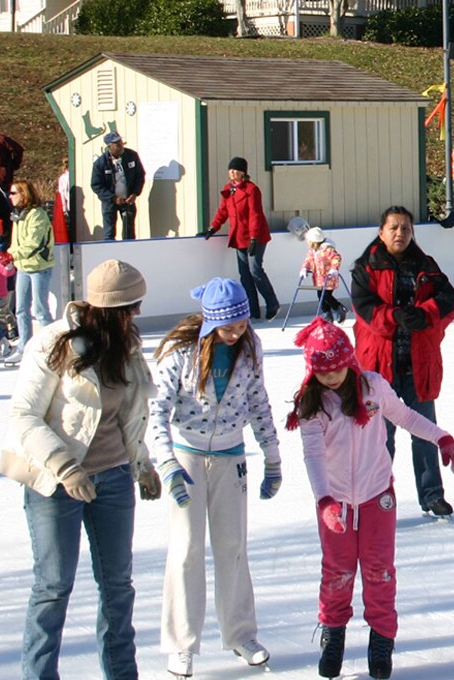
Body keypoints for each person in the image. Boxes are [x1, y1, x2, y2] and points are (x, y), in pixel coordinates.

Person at [0, 259, 161, 680]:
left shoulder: (124, 344)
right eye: (131, 307)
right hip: (54, 484)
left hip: (113, 479)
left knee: (117, 588)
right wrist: (65, 467)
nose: (138, 315)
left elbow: (130, 414)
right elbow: (22, 416)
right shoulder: (53, 344)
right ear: (109, 309)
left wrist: (141, 464)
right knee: (53, 587)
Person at [288, 317, 454, 680]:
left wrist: (440, 437)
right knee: (337, 572)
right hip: (335, 503)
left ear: (349, 361)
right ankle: (333, 636)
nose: (332, 377)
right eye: (323, 372)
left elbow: (406, 417)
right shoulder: (312, 404)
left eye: (337, 368)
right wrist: (324, 501)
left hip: (377, 496)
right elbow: (314, 455)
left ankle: (381, 640)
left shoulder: (373, 387)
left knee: (380, 572)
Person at [150, 278, 280, 677]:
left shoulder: (250, 347)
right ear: (209, 323)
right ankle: (180, 644)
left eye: (241, 323)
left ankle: (241, 633)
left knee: (232, 547)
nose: (237, 332)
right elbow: (155, 413)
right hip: (187, 458)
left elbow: (258, 402)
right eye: (228, 327)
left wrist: (272, 458)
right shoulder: (179, 353)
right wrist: (167, 465)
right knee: (187, 549)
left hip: (230, 456)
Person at [351, 206, 454, 518]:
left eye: (406, 229)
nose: (400, 233)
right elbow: (364, 308)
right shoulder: (365, 267)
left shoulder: (426, 265)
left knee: (424, 431)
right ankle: (376, 495)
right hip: (378, 369)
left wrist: (424, 315)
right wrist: (395, 316)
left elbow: (447, 299)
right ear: (382, 232)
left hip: (418, 365)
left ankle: (432, 495)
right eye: (394, 228)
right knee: (380, 437)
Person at [201, 158, 279, 322]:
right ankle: (252, 309)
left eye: (236, 170)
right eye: (230, 170)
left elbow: (254, 215)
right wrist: (213, 227)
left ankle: (272, 304)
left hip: (255, 236)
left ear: (243, 172)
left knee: (255, 271)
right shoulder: (229, 189)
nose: (232, 173)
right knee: (245, 275)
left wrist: (253, 238)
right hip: (238, 236)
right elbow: (223, 211)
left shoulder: (252, 190)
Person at [10, 178, 55, 363]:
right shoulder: (18, 215)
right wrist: (12, 255)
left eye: (14, 193)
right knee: (21, 309)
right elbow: (16, 242)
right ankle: (24, 346)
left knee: (40, 309)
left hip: (39, 268)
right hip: (23, 268)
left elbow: (34, 242)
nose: (10, 196)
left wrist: (12, 255)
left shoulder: (37, 214)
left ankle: (51, 348)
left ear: (24, 194)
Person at [90, 132, 145, 242]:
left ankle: (129, 254)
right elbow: (96, 185)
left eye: (121, 143)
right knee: (109, 233)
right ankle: (111, 255)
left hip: (128, 200)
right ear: (109, 147)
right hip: (110, 202)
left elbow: (140, 175)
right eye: (117, 145)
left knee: (129, 233)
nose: (121, 146)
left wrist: (135, 193)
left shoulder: (132, 156)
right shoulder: (101, 163)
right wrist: (113, 198)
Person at [302, 227, 347, 323]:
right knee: (320, 297)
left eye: (309, 241)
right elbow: (308, 260)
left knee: (325, 296)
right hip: (318, 279)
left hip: (328, 278)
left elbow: (336, 258)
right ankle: (327, 315)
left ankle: (339, 308)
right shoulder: (312, 251)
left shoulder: (327, 249)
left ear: (313, 241)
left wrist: (334, 269)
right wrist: (304, 268)